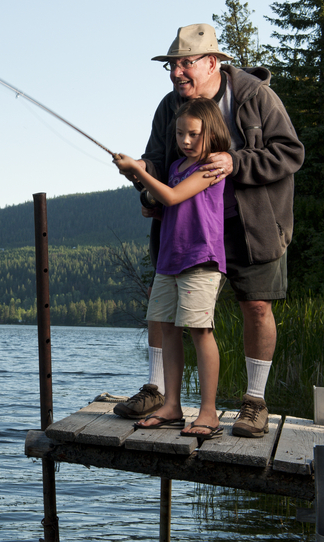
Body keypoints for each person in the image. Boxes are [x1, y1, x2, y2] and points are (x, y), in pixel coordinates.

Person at [113, 23, 304, 438]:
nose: (176, 73)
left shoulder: (255, 95)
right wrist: (146, 190)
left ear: (213, 62)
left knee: (256, 308)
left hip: (250, 227)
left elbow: (291, 152)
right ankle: (159, 392)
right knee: (163, 314)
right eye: (171, 66)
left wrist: (238, 163)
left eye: (186, 64)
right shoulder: (170, 107)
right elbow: (156, 161)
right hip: (188, 229)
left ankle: (254, 402)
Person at [113, 99, 230, 438]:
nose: (186, 141)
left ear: (211, 133)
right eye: (180, 134)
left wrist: (138, 171)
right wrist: (150, 204)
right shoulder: (177, 166)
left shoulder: (209, 168)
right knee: (166, 329)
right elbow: (174, 208)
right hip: (170, 260)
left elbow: (175, 197)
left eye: (194, 134)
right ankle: (172, 406)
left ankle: (208, 412)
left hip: (200, 261)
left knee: (199, 331)